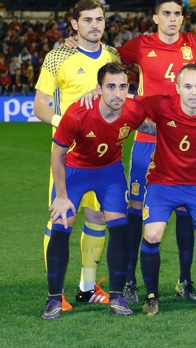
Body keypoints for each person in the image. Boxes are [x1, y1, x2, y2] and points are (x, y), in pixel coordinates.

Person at [117, 0, 196, 303]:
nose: (172, 19)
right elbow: (109, 60)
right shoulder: (140, 45)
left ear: (182, 18)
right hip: (148, 140)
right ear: (156, 18)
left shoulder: (195, 44)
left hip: (185, 143)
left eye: (177, 14)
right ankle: (129, 280)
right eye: (166, 13)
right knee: (135, 208)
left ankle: (185, 281)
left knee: (184, 208)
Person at [42, 63, 150, 319]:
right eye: (110, 87)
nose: (117, 93)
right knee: (61, 225)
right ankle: (54, 298)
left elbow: (151, 125)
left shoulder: (134, 110)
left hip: (109, 172)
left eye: (122, 87)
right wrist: (61, 196)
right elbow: (58, 154)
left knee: (119, 228)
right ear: (99, 89)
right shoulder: (78, 113)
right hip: (76, 170)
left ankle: (117, 297)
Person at [35, 0, 120, 311]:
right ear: (74, 24)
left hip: (104, 157)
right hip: (69, 157)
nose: (94, 25)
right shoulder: (58, 56)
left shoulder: (112, 55)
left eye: (99, 19)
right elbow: (40, 106)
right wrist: (68, 125)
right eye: (87, 20)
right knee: (62, 218)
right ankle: (56, 292)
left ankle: (87, 287)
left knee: (98, 217)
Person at [137, 64, 196, 315]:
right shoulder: (162, 104)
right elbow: (128, 106)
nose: (194, 92)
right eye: (188, 86)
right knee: (152, 235)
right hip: (162, 182)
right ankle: (151, 296)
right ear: (178, 88)